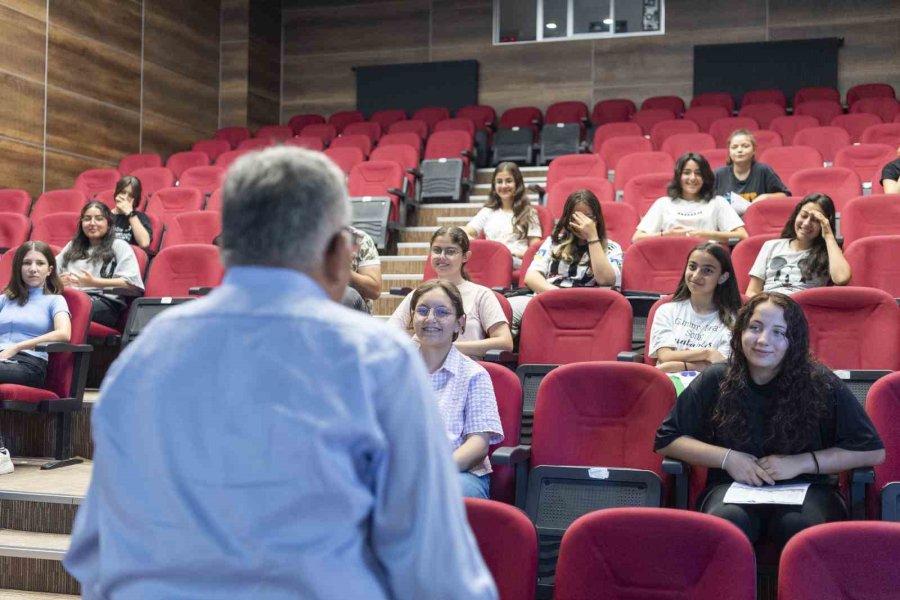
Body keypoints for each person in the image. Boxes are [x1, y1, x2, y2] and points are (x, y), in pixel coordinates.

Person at [65, 147, 498, 600]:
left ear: (226, 249)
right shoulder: (380, 361)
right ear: (338, 254)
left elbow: (95, 555)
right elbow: (436, 571)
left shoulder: (141, 357)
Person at [655, 292, 885, 550]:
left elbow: (871, 450)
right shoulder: (716, 377)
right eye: (755, 328)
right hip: (731, 487)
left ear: (794, 340)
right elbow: (668, 439)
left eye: (779, 332)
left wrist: (798, 464)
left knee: (797, 525)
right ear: (740, 331)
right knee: (728, 523)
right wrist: (728, 458)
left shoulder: (819, 381)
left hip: (808, 487)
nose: (763, 340)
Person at [412, 280, 503, 499]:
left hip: (457, 473)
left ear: (459, 323)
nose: (430, 318)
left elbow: (478, 445)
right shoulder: (392, 370)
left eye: (442, 312)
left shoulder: (474, 375)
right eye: (422, 310)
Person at [389, 226, 513, 358]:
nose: (442, 256)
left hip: (466, 371)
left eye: (450, 251)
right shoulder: (417, 295)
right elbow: (388, 334)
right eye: (437, 250)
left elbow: (505, 343)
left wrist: (448, 347)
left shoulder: (481, 295)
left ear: (465, 256)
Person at [509, 189, 623, 329]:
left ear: (596, 219)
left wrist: (592, 237)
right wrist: (559, 296)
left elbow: (606, 280)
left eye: (588, 218)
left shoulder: (611, 248)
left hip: (589, 307)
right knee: (502, 309)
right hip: (550, 299)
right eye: (577, 218)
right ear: (568, 219)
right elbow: (531, 277)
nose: (583, 224)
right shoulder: (554, 242)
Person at [649, 242, 741, 373]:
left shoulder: (734, 320)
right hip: (668, 384)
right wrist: (707, 353)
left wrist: (679, 366)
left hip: (711, 388)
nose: (696, 275)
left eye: (707, 270)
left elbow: (723, 367)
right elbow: (665, 356)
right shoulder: (666, 311)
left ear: (722, 277)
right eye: (692, 267)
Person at [56, 201, 144, 327]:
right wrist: (57, 281)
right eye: (87, 219)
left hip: (104, 303)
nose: (92, 223)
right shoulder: (72, 246)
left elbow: (131, 284)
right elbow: (48, 271)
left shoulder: (119, 245)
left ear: (108, 224)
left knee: (64, 309)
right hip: (70, 298)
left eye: (99, 219)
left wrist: (94, 282)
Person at [746, 194, 851, 297]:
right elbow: (752, 292)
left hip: (804, 308)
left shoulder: (830, 252)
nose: (806, 223)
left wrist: (828, 235)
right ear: (796, 215)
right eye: (804, 215)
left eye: (815, 220)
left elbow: (841, 279)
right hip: (769, 306)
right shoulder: (771, 246)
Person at [633, 152, 748, 242]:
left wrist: (706, 234)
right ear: (679, 176)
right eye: (687, 172)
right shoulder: (663, 203)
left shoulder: (718, 202)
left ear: (705, 177)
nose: (692, 178)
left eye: (698, 173)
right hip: (669, 258)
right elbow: (637, 239)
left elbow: (741, 236)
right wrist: (666, 235)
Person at [0, 242, 71, 387]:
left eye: (40, 263)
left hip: (30, 364)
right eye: (26, 263)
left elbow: (64, 333)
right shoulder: (4, 299)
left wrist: (17, 347)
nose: (33, 269)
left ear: (49, 270)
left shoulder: (55, 300)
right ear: (18, 268)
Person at [464, 162, 541, 268]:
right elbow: (467, 233)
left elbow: (536, 249)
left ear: (517, 184)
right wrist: (481, 248)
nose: (504, 186)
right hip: (490, 259)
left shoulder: (529, 212)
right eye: (499, 182)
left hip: (515, 261)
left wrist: (515, 253)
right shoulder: (487, 211)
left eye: (509, 181)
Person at [714, 129, 790, 213]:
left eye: (745, 146)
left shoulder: (764, 170)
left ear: (754, 150)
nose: (739, 150)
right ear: (729, 152)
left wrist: (767, 197)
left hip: (757, 220)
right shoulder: (719, 174)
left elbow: (785, 196)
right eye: (734, 147)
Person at [341, 225, 381, 314]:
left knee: (347, 294)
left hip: (355, 313)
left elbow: (375, 290)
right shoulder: (306, 238)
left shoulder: (360, 239)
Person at [109, 175, 153, 250]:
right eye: (123, 192)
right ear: (117, 193)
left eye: (130, 195)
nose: (125, 198)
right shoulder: (104, 215)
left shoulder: (140, 217)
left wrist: (130, 213)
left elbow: (144, 243)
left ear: (135, 200)